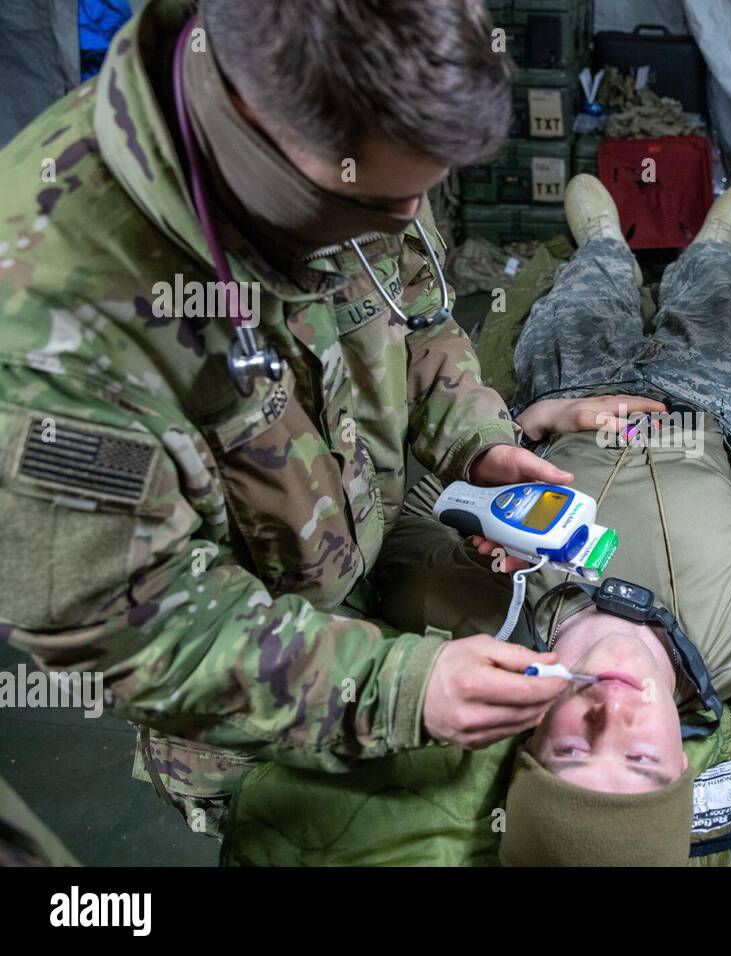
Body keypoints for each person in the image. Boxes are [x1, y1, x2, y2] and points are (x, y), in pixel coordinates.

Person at [0, 0, 574, 836]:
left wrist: (477, 442)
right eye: (380, 205)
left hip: (378, 573)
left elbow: (415, 315)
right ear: (253, 139)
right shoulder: (51, 331)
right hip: (257, 712)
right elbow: (135, 629)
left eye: (423, 193)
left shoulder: (361, 155)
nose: (409, 220)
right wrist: (395, 692)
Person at [372, 175, 731, 864]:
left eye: (573, 748)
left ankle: (605, 245)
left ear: (526, 736)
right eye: (640, 760)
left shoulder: (471, 614)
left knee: (579, 300)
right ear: (684, 762)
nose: (614, 712)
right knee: (717, 296)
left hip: (568, 398)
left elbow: (400, 509)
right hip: (713, 405)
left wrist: (519, 429)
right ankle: (718, 246)